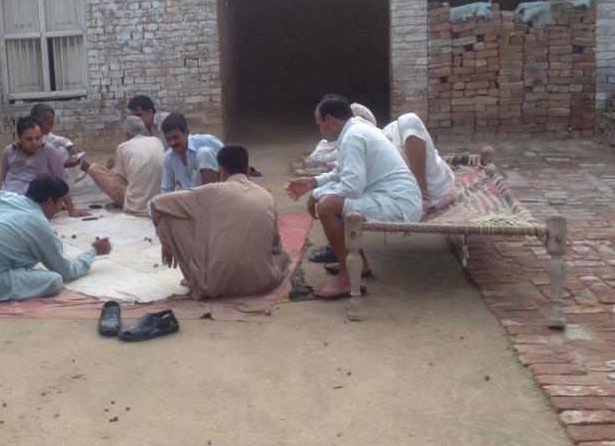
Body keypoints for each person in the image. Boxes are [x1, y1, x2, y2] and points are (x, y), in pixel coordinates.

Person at [285, 95, 422, 298]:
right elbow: (341, 173)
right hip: (391, 197)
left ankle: (346, 279)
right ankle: (360, 264)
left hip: (398, 203)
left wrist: (316, 195)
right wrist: (313, 182)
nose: (320, 129)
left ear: (330, 120)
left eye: (320, 123)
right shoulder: (355, 129)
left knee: (327, 206)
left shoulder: (353, 136)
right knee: (333, 200)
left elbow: (351, 188)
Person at [149, 144, 290, 299]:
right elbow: (275, 247)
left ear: (221, 171)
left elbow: (156, 204)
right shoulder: (266, 196)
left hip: (214, 286)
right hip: (264, 281)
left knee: (166, 217)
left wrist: (166, 243)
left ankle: (196, 279)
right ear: (248, 170)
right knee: (283, 255)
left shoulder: (208, 192)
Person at [0, 175, 112, 301]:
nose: (61, 207)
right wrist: (93, 251)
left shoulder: (6, 196)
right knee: (54, 280)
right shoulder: (38, 224)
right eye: (60, 203)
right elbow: (67, 271)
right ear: (49, 202)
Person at [0, 116, 89, 217]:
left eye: (38, 138)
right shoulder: (8, 152)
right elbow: (2, 180)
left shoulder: (50, 152)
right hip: (6, 200)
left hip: (31, 205)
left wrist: (71, 210)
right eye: (29, 139)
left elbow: (62, 181)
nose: (34, 142)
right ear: (19, 138)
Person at [80, 115, 164, 216]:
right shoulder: (157, 141)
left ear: (126, 134)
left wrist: (108, 167)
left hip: (136, 206)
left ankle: (85, 166)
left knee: (95, 169)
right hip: (161, 203)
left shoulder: (123, 147)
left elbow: (122, 180)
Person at [159, 113, 224, 192]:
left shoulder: (207, 141)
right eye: (168, 139)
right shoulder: (168, 158)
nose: (172, 143)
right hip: (188, 198)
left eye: (176, 137)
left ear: (186, 132)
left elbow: (231, 161)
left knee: (204, 153)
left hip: (216, 193)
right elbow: (166, 189)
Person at [29, 103, 84, 170]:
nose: (52, 126)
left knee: (64, 149)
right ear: (38, 123)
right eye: (49, 123)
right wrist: (64, 165)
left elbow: (60, 140)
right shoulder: (30, 143)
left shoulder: (45, 135)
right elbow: (38, 170)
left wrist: (71, 146)